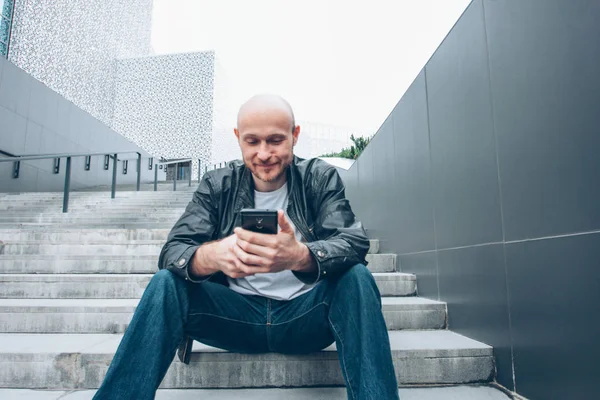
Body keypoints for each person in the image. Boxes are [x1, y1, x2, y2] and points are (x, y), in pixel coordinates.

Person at [93, 94, 399, 399]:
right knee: (164, 284)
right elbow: (173, 252)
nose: (264, 154)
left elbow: (354, 242)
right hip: (232, 317)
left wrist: (300, 256)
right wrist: (211, 256)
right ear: (239, 139)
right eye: (252, 142)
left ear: (295, 136)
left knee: (357, 278)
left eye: (275, 140)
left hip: (306, 317)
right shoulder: (217, 185)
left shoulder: (319, 178)